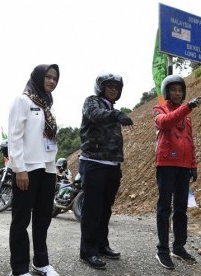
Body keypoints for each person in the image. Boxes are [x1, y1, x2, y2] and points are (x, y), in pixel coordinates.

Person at [7, 64, 61, 276]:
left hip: (47, 169)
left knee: (43, 218)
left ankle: (41, 263)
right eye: (48, 77)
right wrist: (19, 169)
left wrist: (54, 169)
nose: (51, 81)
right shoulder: (23, 101)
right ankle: (19, 269)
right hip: (27, 169)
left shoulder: (49, 105)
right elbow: (15, 137)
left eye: (55, 78)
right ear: (38, 77)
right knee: (21, 221)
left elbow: (50, 140)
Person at [78, 71, 133, 270]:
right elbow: (96, 116)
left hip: (112, 166)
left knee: (104, 209)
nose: (113, 90)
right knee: (92, 209)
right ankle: (88, 252)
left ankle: (102, 245)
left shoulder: (112, 108)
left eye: (117, 88)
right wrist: (115, 115)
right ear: (101, 88)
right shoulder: (92, 101)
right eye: (110, 86)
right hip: (93, 163)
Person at [153, 75, 201, 270]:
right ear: (167, 92)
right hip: (166, 164)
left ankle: (178, 247)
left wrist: (193, 165)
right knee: (165, 208)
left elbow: (189, 141)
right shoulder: (159, 109)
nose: (177, 93)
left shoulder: (186, 114)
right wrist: (187, 107)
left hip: (183, 166)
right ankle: (162, 250)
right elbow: (164, 122)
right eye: (173, 90)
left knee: (181, 209)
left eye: (180, 90)